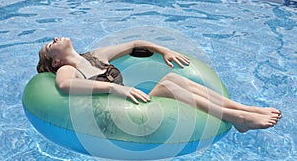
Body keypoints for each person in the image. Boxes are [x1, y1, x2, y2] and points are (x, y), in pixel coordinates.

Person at [37, 37, 282, 133]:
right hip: (113, 122)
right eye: (50, 45)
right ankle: (235, 117)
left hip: (130, 110)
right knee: (169, 87)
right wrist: (115, 88)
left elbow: (135, 43)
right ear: (56, 60)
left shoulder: (95, 56)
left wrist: (165, 50)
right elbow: (65, 87)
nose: (55, 39)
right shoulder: (67, 68)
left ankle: (243, 110)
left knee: (172, 79)